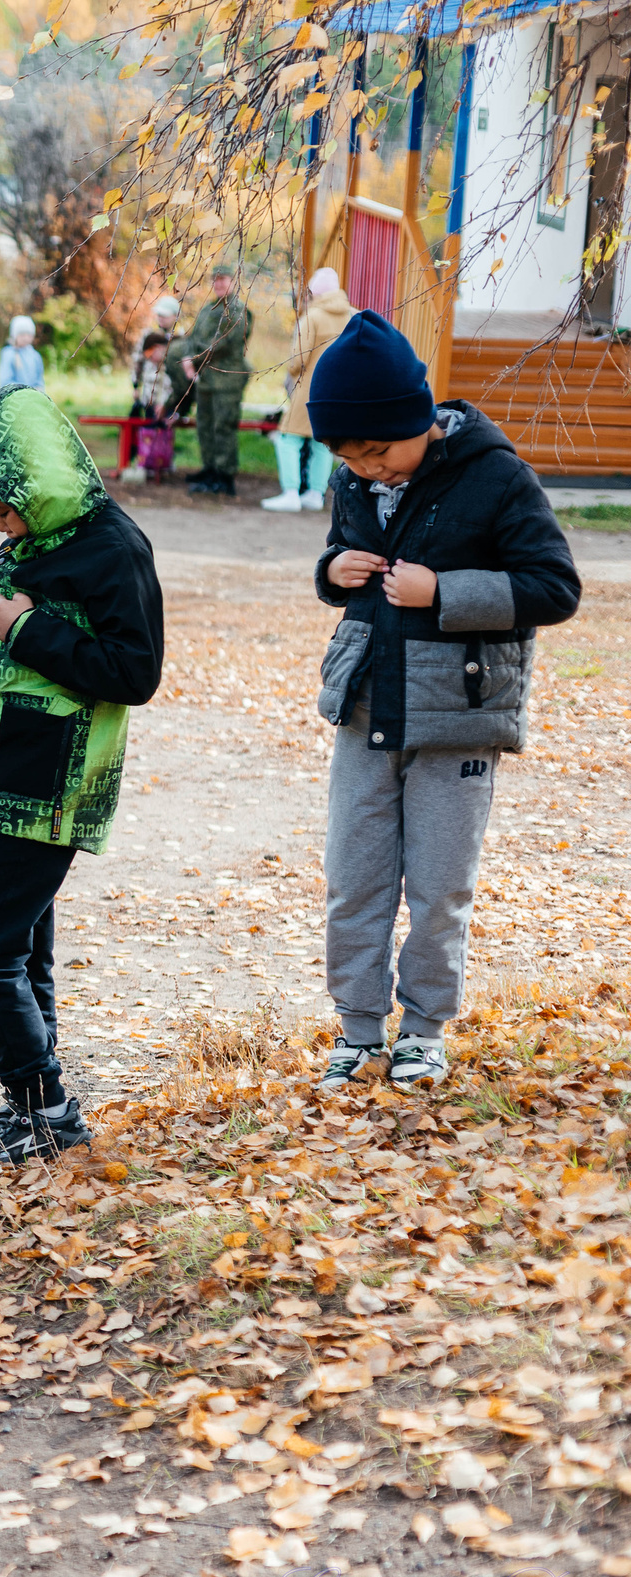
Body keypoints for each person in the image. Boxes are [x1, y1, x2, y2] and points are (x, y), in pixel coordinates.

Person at [307, 311, 580, 1092]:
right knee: (354, 877)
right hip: (366, 708)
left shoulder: (496, 475)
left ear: (420, 420)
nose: (366, 470)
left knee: (438, 885)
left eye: (377, 452)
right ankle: (358, 1033)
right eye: (348, 458)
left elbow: (555, 588)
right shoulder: (356, 475)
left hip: (457, 715)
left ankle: (424, 1030)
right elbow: (337, 557)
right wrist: (333, 573)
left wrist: (445, 592)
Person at [0, 385, 165, 1164]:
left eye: (5, 509)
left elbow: (133, 671)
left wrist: (23, 627)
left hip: (53, 780)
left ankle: (45, 1105)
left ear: (39, 482)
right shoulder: (38, 544)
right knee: (20, 946)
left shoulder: (110, 548)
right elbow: (12, 639)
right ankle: (35, 1111)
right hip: (8, 772)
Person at [266, 267, 351, 513]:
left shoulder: (311, 317)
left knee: (287, 438)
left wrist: (290, 375)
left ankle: (291, 492)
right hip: (339, 390)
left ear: (315, 291)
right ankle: (316, 493)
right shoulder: (352, 315)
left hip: (310, 388)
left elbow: (297, 360)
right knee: (323, 442)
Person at [179, 263, 252, 495]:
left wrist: (194, 359)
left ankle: (225, 475)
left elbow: (222, 343)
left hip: (226, 381)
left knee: (223, 427)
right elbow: (192, 337)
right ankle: (210, 469)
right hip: (207, 379)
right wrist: (187, 356)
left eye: (224, 279)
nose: (219, 283)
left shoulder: (238, 310)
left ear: (233, 281)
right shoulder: (207, 309)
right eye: (215, 279)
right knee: (206, 426)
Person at [124, 331, 175, 486]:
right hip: (149, 405)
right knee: (147, 434)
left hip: (165, 407)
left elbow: (171, 388)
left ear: (160, 348)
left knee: (163, 435)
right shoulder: (147, 365)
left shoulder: (169, 365)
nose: (149, 356)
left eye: (151, 352)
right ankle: (146, 463)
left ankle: (163, 466)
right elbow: (138, 372)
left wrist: (166, 406)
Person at [0, 315, 44, 390]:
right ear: (14, 335)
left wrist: (38, 391)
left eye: (29, 335)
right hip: (13, 397)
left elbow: (39, 381)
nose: (25, 338)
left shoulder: (35, 356)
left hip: (32, 397)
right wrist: (23, 391)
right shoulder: (8, 354)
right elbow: (5, 380)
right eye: (22, 335)